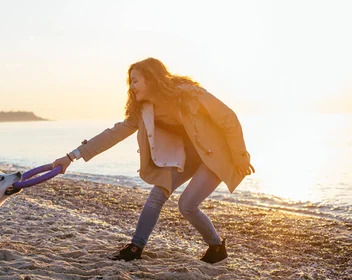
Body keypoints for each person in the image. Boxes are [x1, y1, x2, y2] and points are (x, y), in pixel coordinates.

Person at [53, 57, 254, 263]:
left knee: (187, 205)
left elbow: (228, 118)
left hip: (216, 154)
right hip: (185, 157)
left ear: (152, 79)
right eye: (130, 82)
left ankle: (217, 246)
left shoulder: (189, 94)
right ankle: (135, 247)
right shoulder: (143, 111)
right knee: (157, 195)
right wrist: (71, 156)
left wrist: (240, 157)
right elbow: (113, 134)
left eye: (136, 81)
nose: (132, 87)